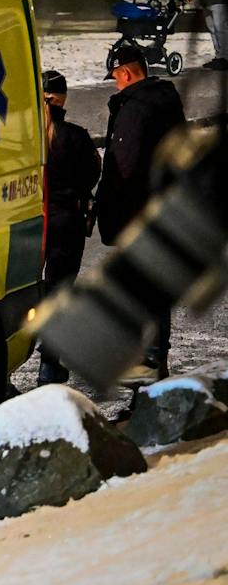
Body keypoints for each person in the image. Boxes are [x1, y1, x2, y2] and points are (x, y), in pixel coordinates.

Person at [94, 41, 189, 380]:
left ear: (126, 72)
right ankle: (155, 363)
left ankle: (147, 373)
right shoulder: (165, 100)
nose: (116, 83)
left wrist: (105, 203)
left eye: (116, 77)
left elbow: (124, 167)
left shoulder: (134, 110)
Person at [37, 69, 99, 385]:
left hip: (33, 223)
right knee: (59, 291)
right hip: (67, 222)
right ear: (63, 100)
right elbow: (91, 174)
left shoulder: (25, 135)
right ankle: (49, 363)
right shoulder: (75, 137)